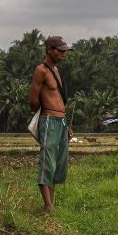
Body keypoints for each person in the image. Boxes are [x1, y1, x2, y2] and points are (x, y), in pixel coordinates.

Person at [29, 35, 74, 212]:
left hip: (61, 121)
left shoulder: (55, 71)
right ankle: (48, 206)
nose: (63, 54)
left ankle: (50, 205)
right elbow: (33, 101)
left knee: (58, 163)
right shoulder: (41, 70)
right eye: (60, 51)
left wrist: (65, 123)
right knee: (47, 162)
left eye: (64, 51)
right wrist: (46, 114)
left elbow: (60, 100)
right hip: (48, 121)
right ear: (49, 49)